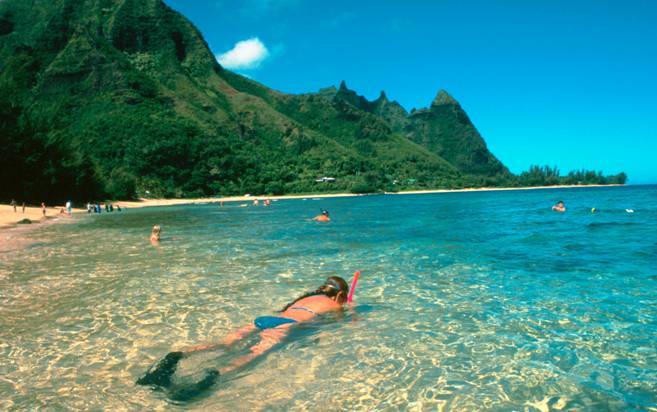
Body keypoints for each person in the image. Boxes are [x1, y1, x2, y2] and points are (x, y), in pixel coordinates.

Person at [137, 276, 350, 399]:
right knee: (254, 354)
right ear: (340, 295)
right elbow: (341, 323)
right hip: (286, 326)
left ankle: (174, 357)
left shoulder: (309, 297)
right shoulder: (334, 304)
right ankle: (207, 379)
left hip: (265, 319)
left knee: (225, 344)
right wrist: (348, 310)